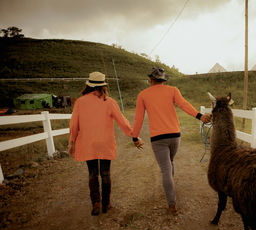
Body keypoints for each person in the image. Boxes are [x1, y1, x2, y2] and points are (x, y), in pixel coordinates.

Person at [132, 67, 211, 215]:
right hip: (175, 135)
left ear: (150, 80)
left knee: (165, 170)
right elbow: (184, 105)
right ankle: (171, 188)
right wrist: (199, 116)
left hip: (158, 138)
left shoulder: (143, 95)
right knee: (170, 162)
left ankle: (172, 204)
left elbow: (138, 118)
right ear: (164, 80)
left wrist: (135, 137)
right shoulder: (173, 90)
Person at [68, 71, 136, 216]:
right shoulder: (109, 102)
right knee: (105, 173)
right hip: (105, 143)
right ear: (103, 86)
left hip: (88, 143)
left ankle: (96, 204)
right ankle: (106, 204)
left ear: (89, 85)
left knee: (92, 173)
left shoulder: (80, 102)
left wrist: (71, 141)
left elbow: (74, 124)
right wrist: (133, 134)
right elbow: (122, 120)